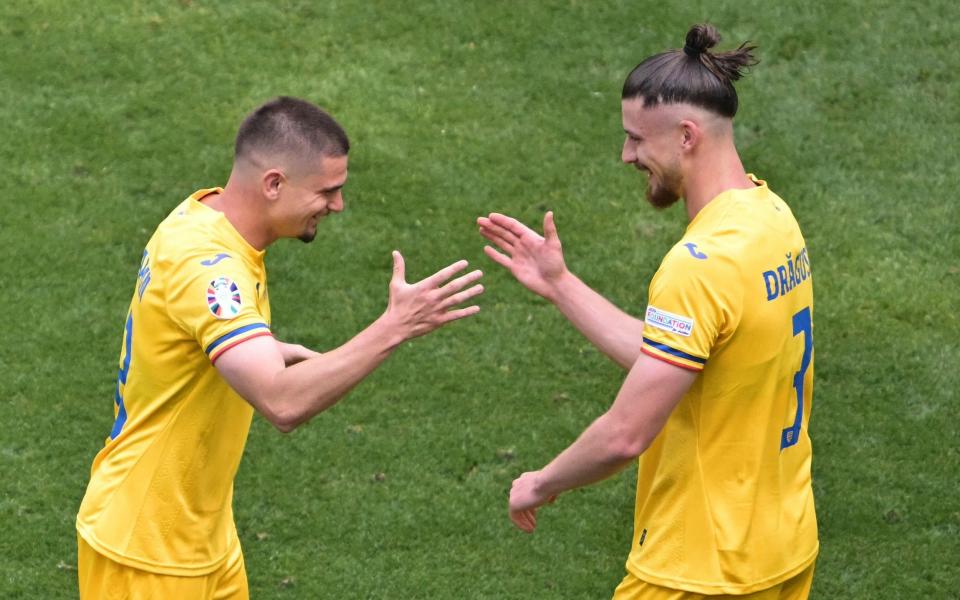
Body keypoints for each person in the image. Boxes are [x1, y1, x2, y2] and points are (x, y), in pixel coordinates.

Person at [76, 96, 484, 599]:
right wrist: (395, 326)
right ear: (274, 184)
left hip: (203, 539)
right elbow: (282, 402)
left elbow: (191, 329)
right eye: (328, 191)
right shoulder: (209, 267)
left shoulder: (206, 217)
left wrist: (264, 347)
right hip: (146, 551)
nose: (337, 205)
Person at [478, 24, 817, 599]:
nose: (627, 154)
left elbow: (625, 434)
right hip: (780, 553)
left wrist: (539, 482)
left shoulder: (699, 263)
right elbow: (677, 358)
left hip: (700, 570)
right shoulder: (772, 220)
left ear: (686, 136)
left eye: (636, 139)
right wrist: (561, 286)